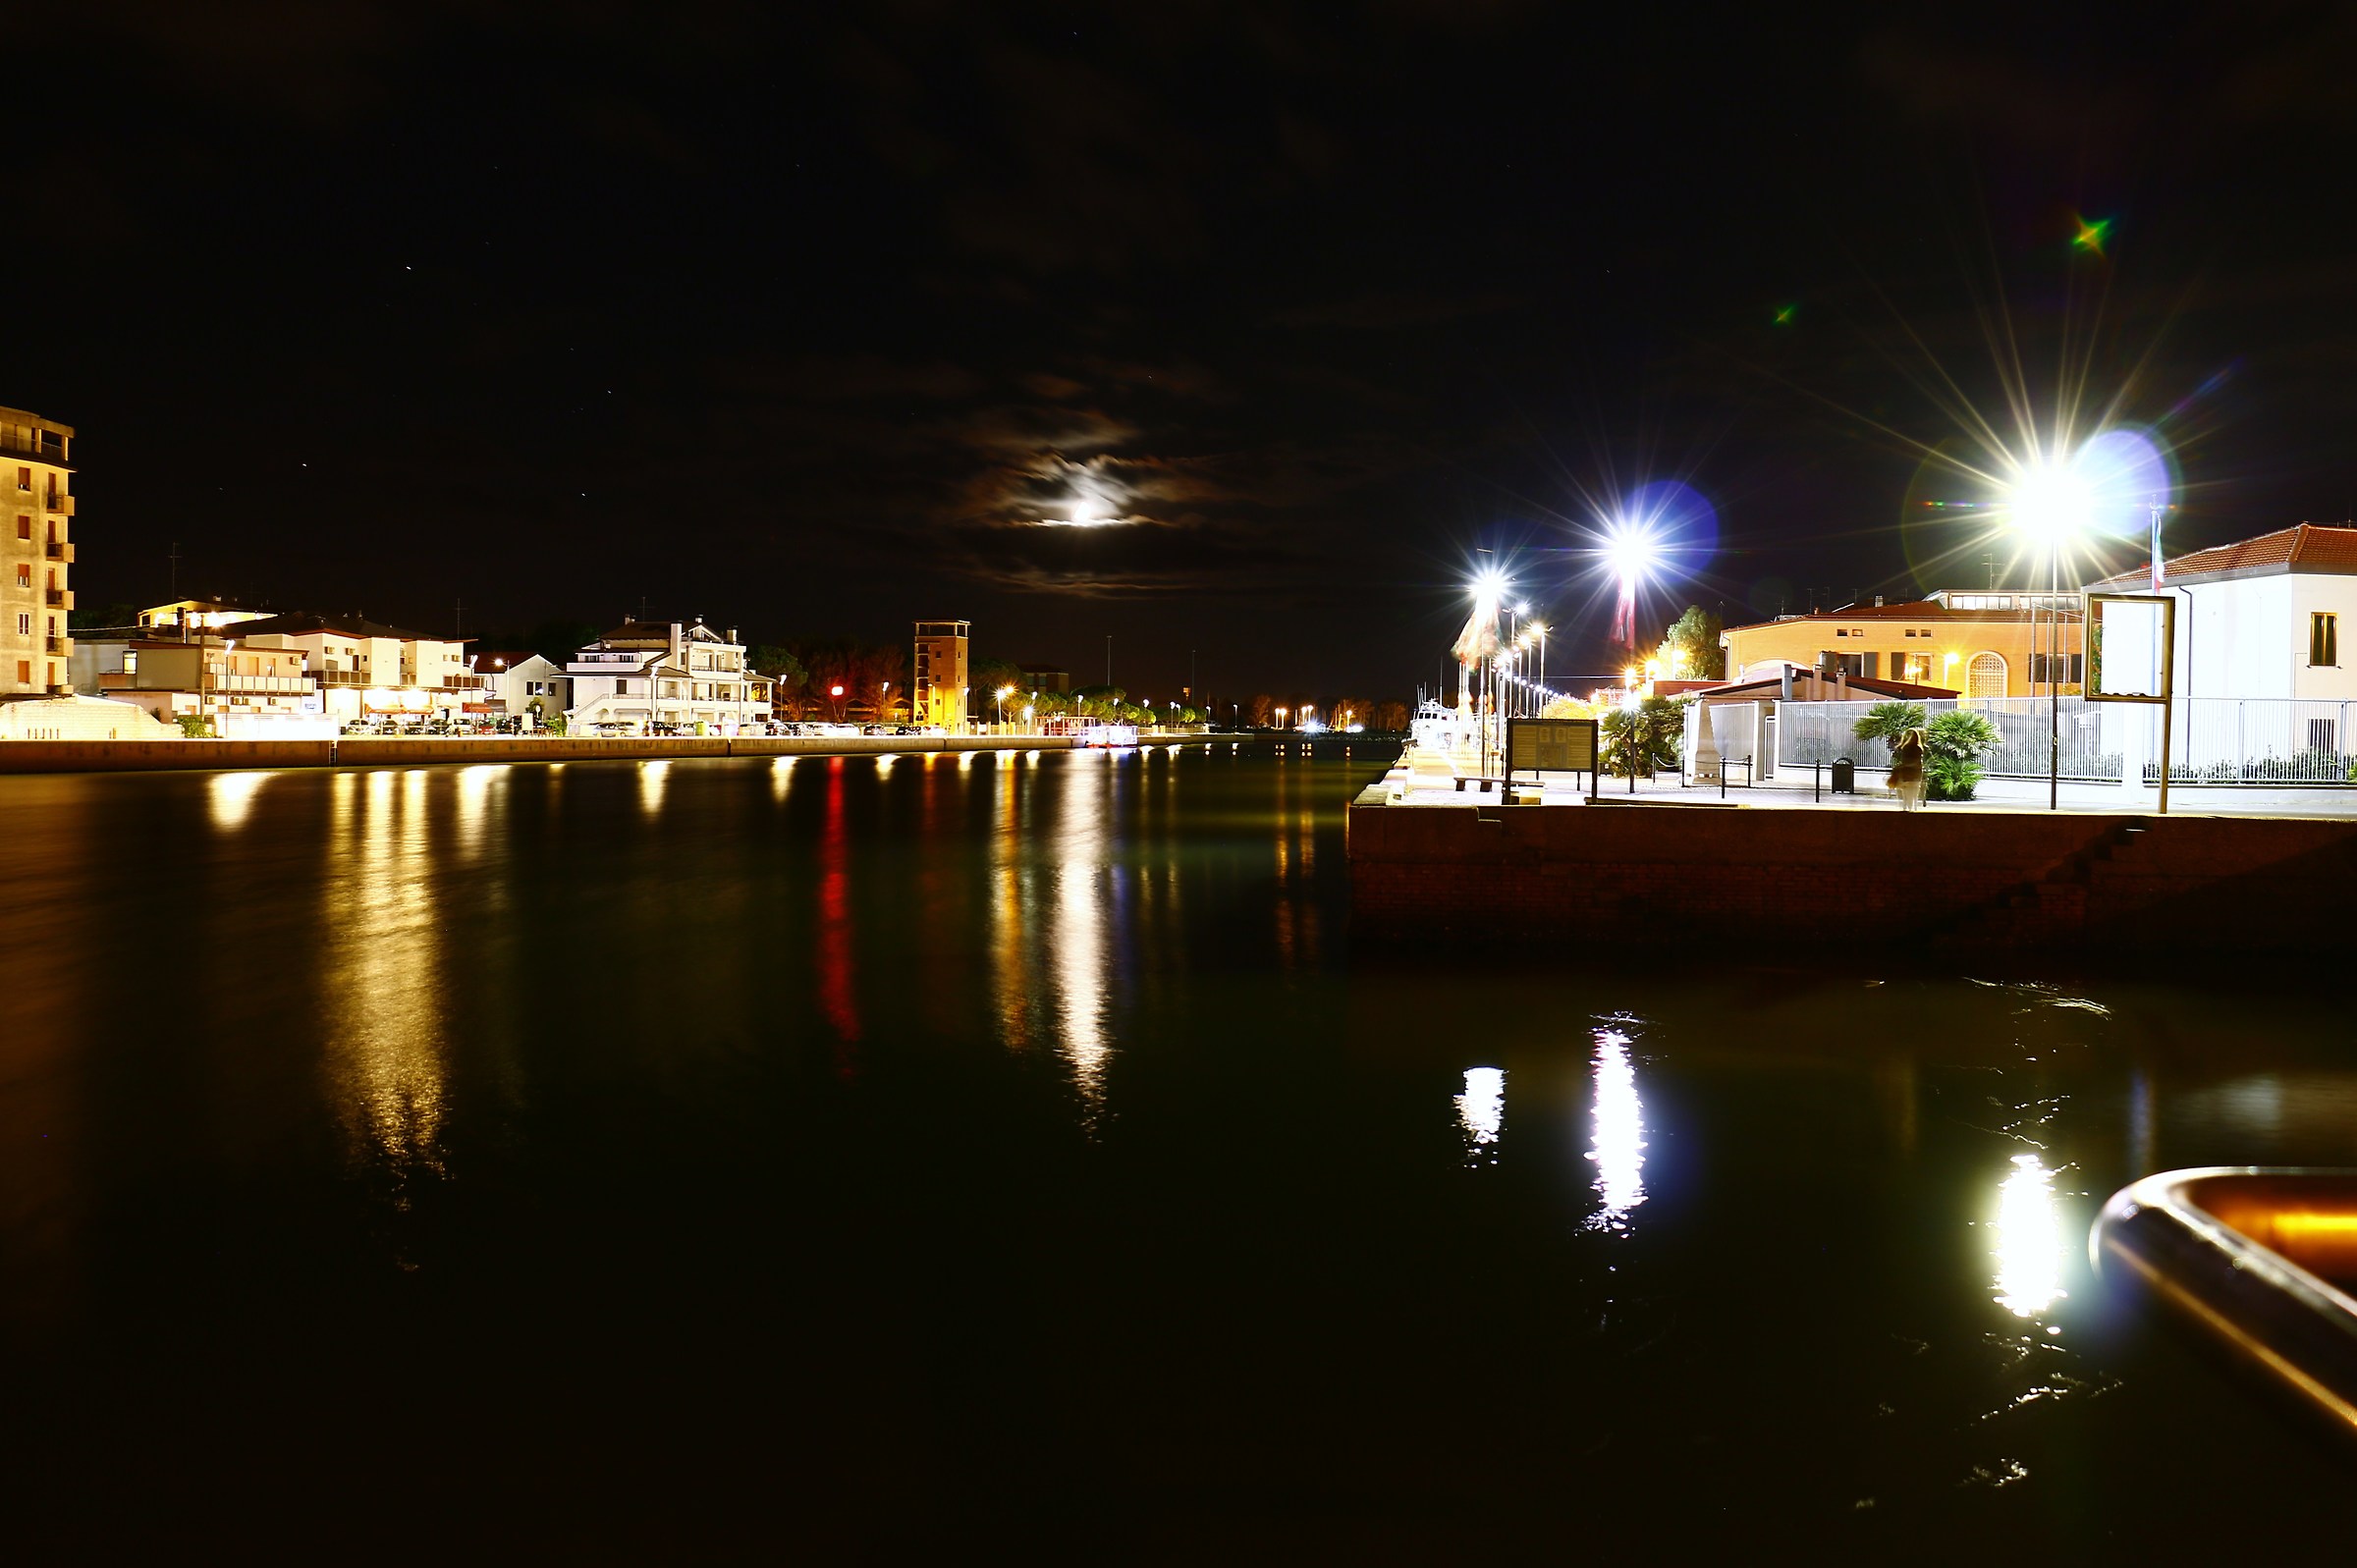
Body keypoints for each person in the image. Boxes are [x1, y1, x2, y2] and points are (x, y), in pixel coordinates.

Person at [1889, 727, 1928, 811]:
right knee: (1914, 791)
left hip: (1906, 773)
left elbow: (1904, 760)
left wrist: (1902, 766)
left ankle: (1905, 807)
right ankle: (1913, 807)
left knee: (1906, 791)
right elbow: (1918, 761)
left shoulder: (1905, 748)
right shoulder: (1918, 748)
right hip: (1916, 773)